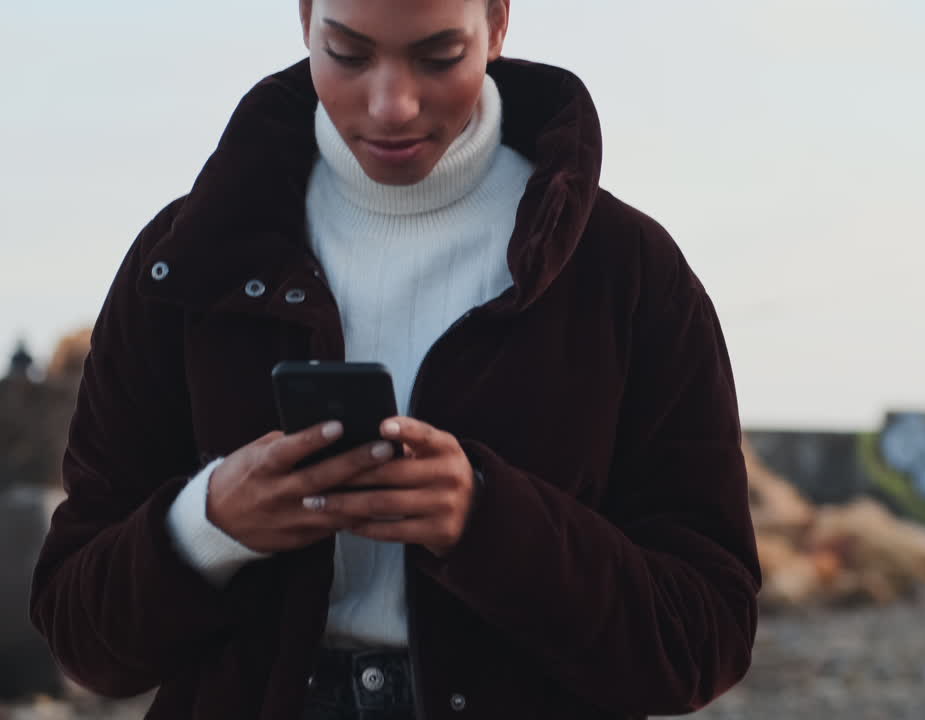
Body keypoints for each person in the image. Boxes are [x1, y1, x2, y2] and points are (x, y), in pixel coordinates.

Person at [29, 1, 761, 717]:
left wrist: (492, 522)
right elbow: (81, 635)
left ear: (498, 24)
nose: (391, 106)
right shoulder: (186, 261)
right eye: (348, 54)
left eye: (439, 56)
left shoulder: (628, 272)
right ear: (305, 20)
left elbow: (704, 641)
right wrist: (207, 525)